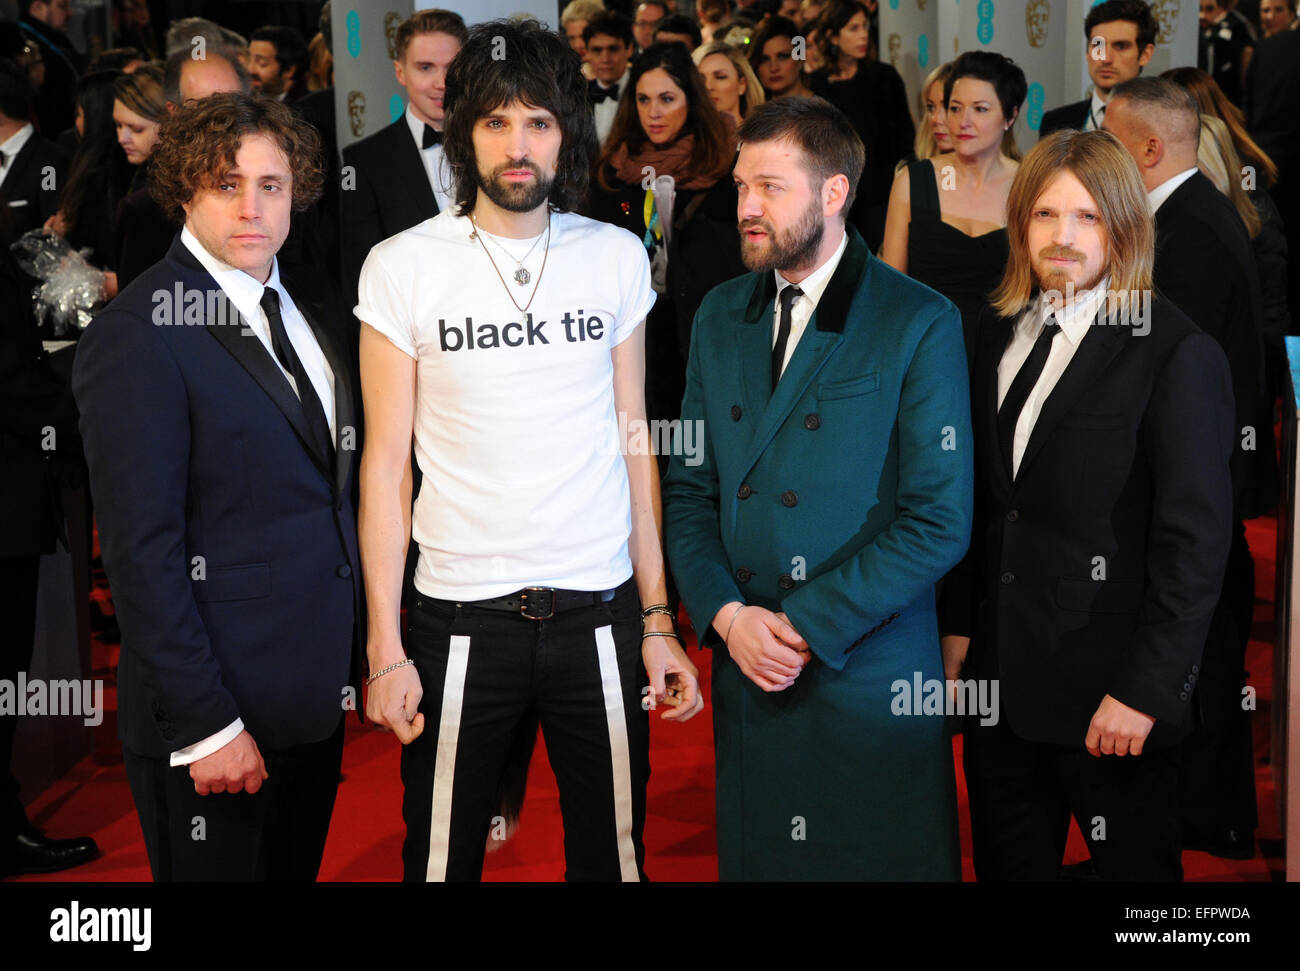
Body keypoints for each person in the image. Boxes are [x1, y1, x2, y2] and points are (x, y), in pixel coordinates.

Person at [356, 18, 702, 883]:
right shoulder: (402, 267)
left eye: (540, 122)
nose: (519, 145)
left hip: (600, 612)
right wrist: (384, 646)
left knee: (616, 860)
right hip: (460, 618)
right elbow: (385, 467)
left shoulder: (616, 256)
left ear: (567, 135)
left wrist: (658, 621)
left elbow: (636, 444)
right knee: (439, 861)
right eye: (497, 121)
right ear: (463, 132)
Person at [663, 96, 972, 880]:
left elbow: (938, 521)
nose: (747, 208)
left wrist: (798, 626)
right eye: (740, 187)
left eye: (770, 187)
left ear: (834, 193)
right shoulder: (717, 314)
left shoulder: (916, 319)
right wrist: (730, 619)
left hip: (863, 670)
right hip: (749, 669)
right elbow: (690, 489)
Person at [72, 93, 362, 882]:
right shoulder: (138, 334)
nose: (251, 206)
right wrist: (206, 724)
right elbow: (141, 554)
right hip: (213, 717)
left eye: (271, 184)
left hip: (307, 703)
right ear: (183, 192)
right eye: (225, 183)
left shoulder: (307, 302)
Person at [939, 129, 1235, 882]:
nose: (1062, 237)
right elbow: (986, 504)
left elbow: (1195, 546)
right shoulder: (994, 331)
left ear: (1124, 227)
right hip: (1001, 694)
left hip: (1113, 704)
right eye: (1044, 215)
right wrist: (956, 629)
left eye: (1087, 218)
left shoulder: (1175, 351)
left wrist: (1143, 693)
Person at [1104, 76, 1272, 860]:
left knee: (1203, 655)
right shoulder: (1190, 212)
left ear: (1146, 146)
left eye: (1109, 136)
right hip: (1201, 479)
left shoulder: (1191, 230)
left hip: (1197, 484)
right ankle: (1211, 815)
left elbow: (1182, 375)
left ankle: (1212, 820)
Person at [587, 41, 742, 429]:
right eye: (643, 99)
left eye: (667, 99)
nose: (653, 113)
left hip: (714, 339)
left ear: (691, 100)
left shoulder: (728, 166)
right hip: (640, 347)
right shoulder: (614, 173)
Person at [880, 50, 1024, 363]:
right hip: (927, 356)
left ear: (1010, 116)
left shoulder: (1031, 186)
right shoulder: (913, 181)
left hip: (1008, 359)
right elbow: (891, 290)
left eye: (980, 109)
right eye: (955, 108)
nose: (963, 122)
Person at [341, 9, 466, 315]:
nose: (441, 83)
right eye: (425, 67)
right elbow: (359, 274)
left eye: (452, 68)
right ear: (400, 72)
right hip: (410, 330)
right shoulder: (363, 161)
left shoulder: (498, 149)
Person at [808, 0, 913, 251]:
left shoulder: (884, 78)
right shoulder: (816, 84)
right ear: (833, 36)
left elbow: (904, 139)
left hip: (880, 197)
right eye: (853, 28)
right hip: (832, 199)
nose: (863, 34)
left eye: (865, 26)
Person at [43, 70, 133, 290]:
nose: (77, 123)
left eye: (80, 114)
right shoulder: (85, 164)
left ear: (95, 117)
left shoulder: (108, 174)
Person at [1039, 0, 1158, 137]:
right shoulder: (1055, 122)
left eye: (1120, 47)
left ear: (1145, 54)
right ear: (1087, 52)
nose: (1105, 58)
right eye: (1098, 45)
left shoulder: (1160, 122)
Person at [111, 64, 177, 290]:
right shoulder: (139, 173)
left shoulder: (152, 201)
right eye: (118, 126)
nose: (122, 138)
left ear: (169, 123)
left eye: (136, 129)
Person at [19, 0, 81, 137]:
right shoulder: (25, 42)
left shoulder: (56, 38)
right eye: (62, 6)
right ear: (38, 7)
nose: (70, 13)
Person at [585, 12, 635, 145]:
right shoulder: (580, 96)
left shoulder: (644, 93)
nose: (605, 59)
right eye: (597, 50)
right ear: (587, 53)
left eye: (613, 49)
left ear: (629, 49)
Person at [1199, 0, 1257, 107]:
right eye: (1199, 9)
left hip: (1228, 98)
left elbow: (1248, 55)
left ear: (1221, 9)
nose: (1202, 15)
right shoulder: (1197, 30)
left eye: (1209, 9)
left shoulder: (1238, 25)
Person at [693, 41, 764, 126]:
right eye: (700, 79)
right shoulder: (686, 137)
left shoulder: (762, 136)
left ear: (742, 84)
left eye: (720, 77)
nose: (708, 86)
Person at [748, 16, 814, 100]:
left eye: (783, 56)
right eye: (764, 59)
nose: (774, 68)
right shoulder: (749, 111)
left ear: (800, 58)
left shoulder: (827, 107)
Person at [249, 25, 309, 105]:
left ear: (289, 70)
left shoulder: (307, 108)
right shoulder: (248, 101)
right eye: (248, 59)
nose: (250, 70)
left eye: (261, 62)